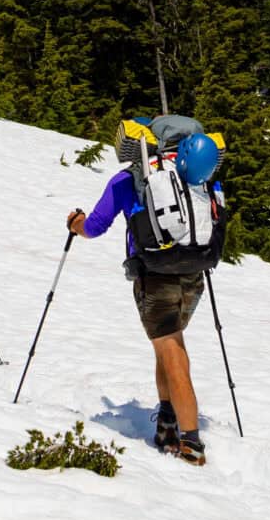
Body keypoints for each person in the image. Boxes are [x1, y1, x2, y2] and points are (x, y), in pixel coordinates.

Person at [67, 132, 222, 467]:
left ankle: (191, 441)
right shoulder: (202, 180)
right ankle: (167, 421)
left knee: (170, 349)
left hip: (154, 277)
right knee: (169, 345)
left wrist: (76, 224)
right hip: (194, 277)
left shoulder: (130, 179)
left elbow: (94, 226)